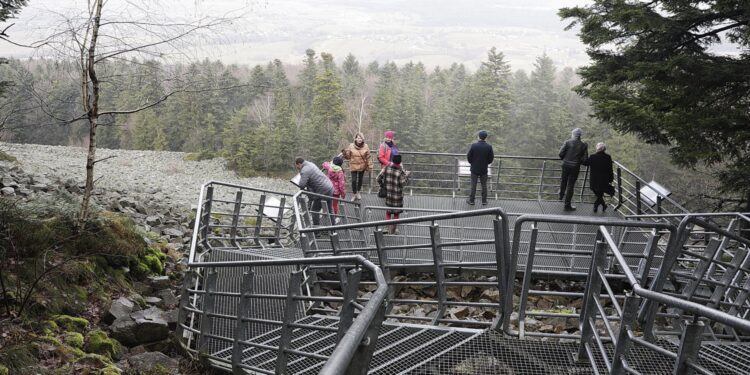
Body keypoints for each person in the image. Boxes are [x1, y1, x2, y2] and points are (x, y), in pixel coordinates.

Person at [295, 157, 334, 226]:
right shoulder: (311, 164)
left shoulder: (304, 170)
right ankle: (333, 229)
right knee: (329, 210)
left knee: (315, 211)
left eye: (297, 166)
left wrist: (301, 174)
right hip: (329, 187)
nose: (297, 167)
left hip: (323, 191)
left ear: (299, 164)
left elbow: (302, 185)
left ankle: (316, 231)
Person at [377, 154, 409, 234]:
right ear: (400, 162)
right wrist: (406, 176)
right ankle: (394, 230)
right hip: (397, 196)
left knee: (388, 212)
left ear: (393, 160)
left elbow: (378, 178)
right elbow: (403, 184)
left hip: (388, 194)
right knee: (396, 213)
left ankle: (387, 228)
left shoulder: (386, 168)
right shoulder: (400, 171)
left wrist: (383, 185)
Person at [558, 127, 589, 211]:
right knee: (570, 186)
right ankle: (567, 205)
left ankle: (561, 196)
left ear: (573, 134)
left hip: (565, 165)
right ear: (580, 136)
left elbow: (560, 154)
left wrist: (565, 159)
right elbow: (585, 160)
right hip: (575, 167)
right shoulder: (583, 145)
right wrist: (579, 161)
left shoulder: (567, 142)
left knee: (563, 180)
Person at [466, 130, 494, 206]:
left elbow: (469, 157)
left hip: (474, 169)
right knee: (484, 185)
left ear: (479, 137)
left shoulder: (474, 146)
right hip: (484, 169)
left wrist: (472, 163)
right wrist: (486, 163)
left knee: (473, 185)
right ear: (485, 138)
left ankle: (471, 201)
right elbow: (491, 159)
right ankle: (484, 201)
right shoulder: (489, 147)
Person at [342, 132, 373, 200]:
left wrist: (370, 166)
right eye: (358, 138)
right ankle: (354, 194)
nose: (359, 139)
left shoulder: (366, 146)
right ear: (355, 138)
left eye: (361, 138)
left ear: (363, 139)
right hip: (353, 165)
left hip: (362, 165)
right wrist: (344, 154)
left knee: (360, 180)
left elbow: (368, 157)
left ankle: (358, 192)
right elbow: (348, 157)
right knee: (353, 180)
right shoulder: (351, 146)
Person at [585, 142, 614, 213]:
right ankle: (603, 206)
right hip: (604, 180)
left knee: (598, 193)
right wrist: (611, 178)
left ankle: (595, 206)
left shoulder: (592, 157)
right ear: (604, 149)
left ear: (597, 149)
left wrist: (585, 153)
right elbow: (610, 169)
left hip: (594, 180)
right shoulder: (608, 157)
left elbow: (585, 163)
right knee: (600, 194)